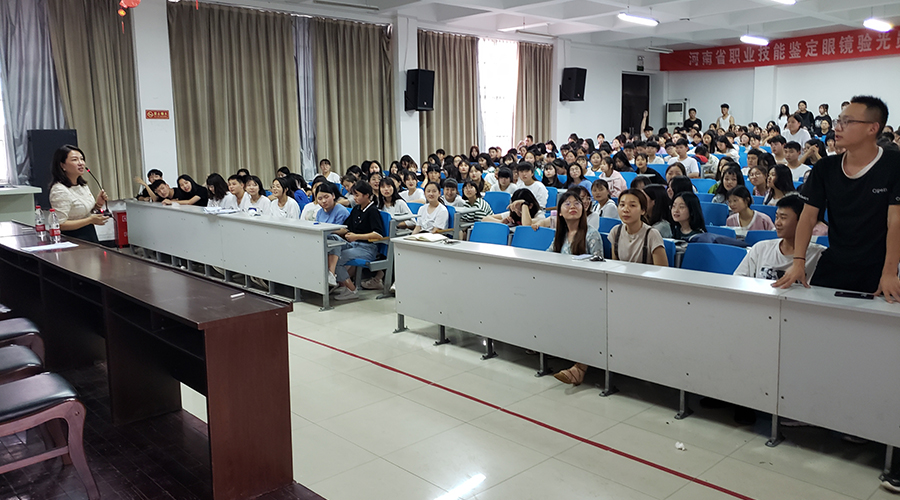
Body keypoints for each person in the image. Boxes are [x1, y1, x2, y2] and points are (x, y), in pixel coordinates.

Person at [775, 95, 900, 301]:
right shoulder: (826, 167)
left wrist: (889, 272)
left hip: (879, 265)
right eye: (838, 121)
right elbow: (808, 216)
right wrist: (798, 262)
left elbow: (895, 221)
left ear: (872, 128)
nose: (837, 128)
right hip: (836, 260)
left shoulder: (894, 164)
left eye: (847, 122)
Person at [553, 188, 666, 386]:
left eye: (632, 205)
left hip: (645, 293)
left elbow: (663, 273)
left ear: (642, 210)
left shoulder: (652, 234)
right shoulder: (616, 232)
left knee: (598, 316)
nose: (625, 209)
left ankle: (580, 368)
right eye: (622, 205)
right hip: (619, 291)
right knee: (595, 313)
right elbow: (614, 267)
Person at [735, 194, 824, 279]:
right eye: (777, 217)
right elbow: (738, 278)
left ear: (802, 221)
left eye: (783, 218)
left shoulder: (818, 255)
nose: (777, 223)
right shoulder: (761, 249)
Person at [325, 181, 385, 300]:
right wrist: (331, 230)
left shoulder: (372, 211)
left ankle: (351, 290)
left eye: (357, 195)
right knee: (333, 242)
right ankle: (332, 276)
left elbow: (378, 234)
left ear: (367, 195)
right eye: (353, 195)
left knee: (337, 259)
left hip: (367, 248)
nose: (354, 198)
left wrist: (356, 236)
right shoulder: (356, 209)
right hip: (353, 244)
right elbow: (346, 228)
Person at [48, 145, 110, 242]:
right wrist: (90, 220)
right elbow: (59, 224)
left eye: (82, 159)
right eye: (75, 160)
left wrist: (98, 205)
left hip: (89, 234)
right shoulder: (59, 190)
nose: (81, 163)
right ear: (63, 165)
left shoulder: (82, 186)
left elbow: (82, 213)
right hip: (72, 238)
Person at [547, 191, 603, 257]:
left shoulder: (592, 234)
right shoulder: (562, 233)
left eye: (576, 203)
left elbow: (597, 261)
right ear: (560, 212)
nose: (572, 207)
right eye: (567, 204)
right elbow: (548, 255)